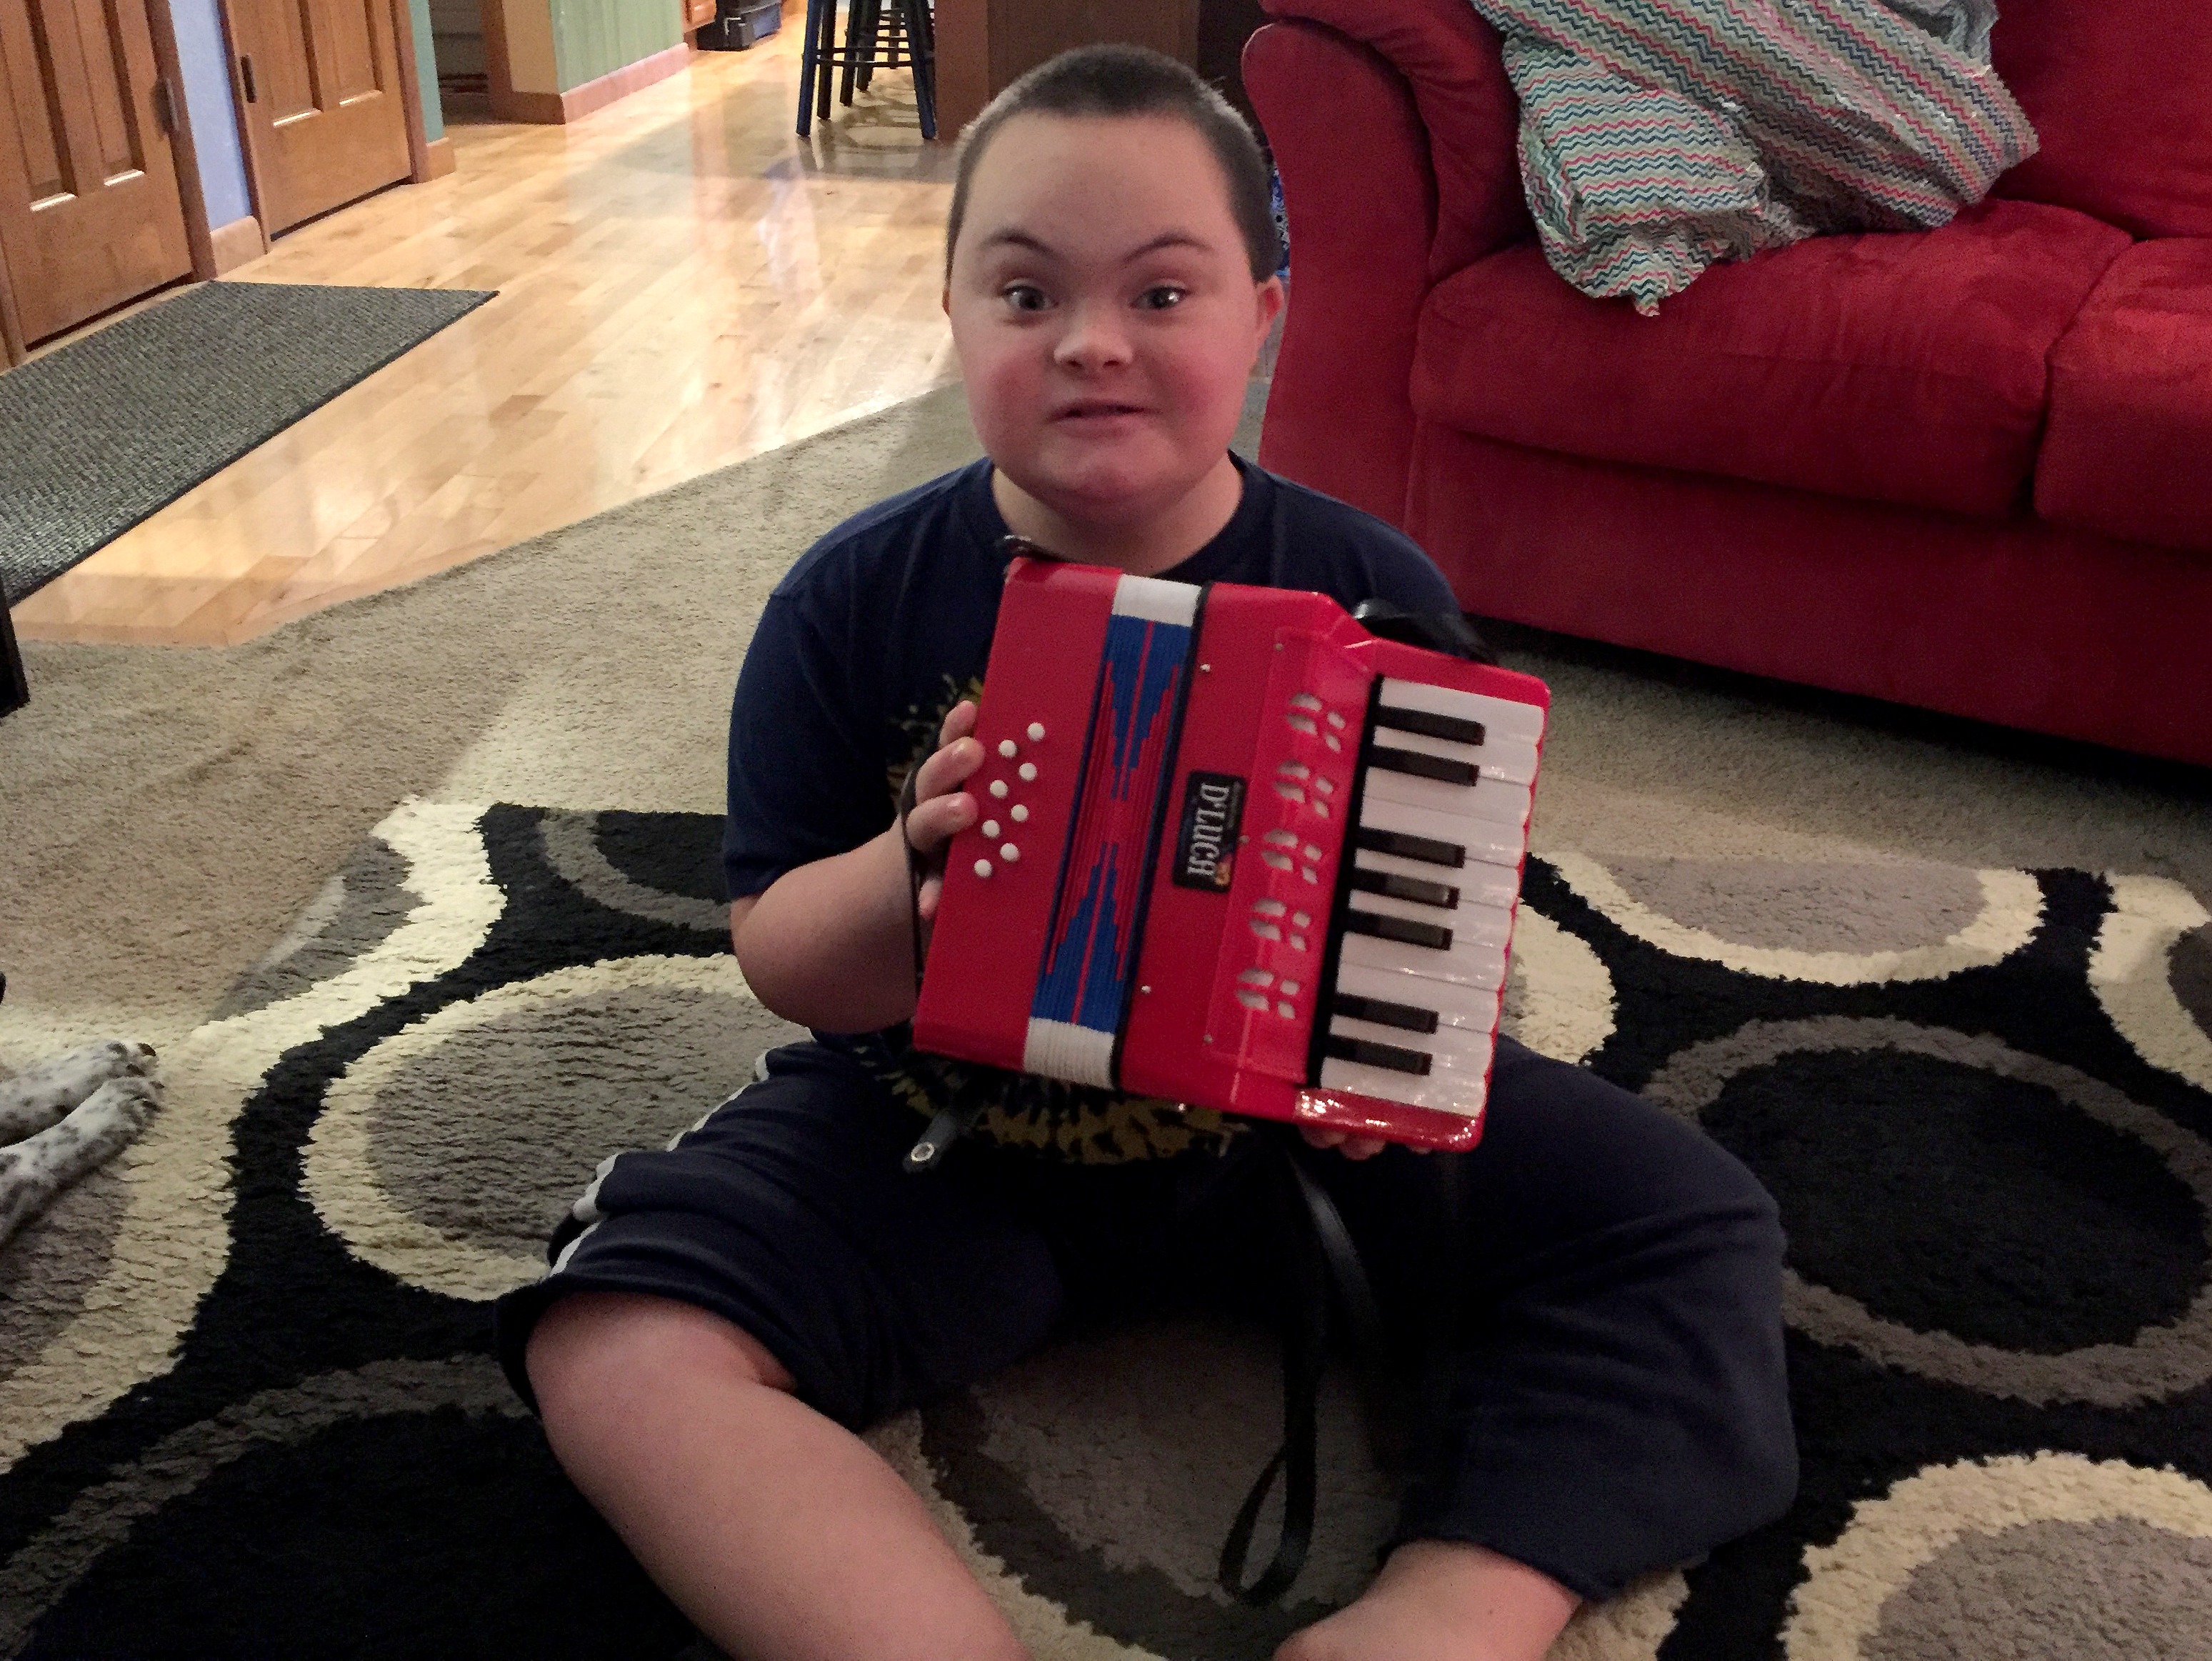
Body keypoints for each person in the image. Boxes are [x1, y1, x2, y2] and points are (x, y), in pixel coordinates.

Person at [494, 45, 1797, 1661]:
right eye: (1025, 295)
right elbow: (784, 959)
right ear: (954, 321)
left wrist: (1394, 1056)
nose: (1091, 343)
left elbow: (1418, 915)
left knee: (1689, 1216)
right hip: (952, 1131)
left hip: (1290, 1144)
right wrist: (913, 866)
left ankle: (1450, 1608)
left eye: (1164, 295)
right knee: (617, 1333)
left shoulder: (1368, 583)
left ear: (1264, 313)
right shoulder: (844, 598)